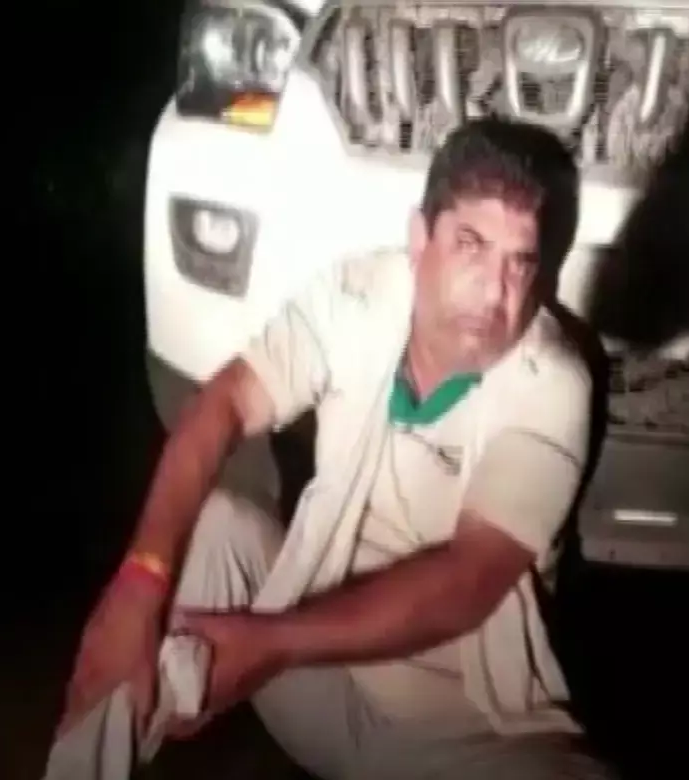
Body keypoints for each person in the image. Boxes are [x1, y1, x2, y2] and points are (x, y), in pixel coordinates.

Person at [55, 117, 609, 780]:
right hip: (316, 680)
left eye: (519, 263)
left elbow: (468, 579)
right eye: (471, 245)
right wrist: (139, 583)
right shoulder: (357, 296)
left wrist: (270, 643)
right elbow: (224, 403)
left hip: (464, 737)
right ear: (420, 238)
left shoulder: (553, 381)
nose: (496, 293)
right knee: (211, 531)